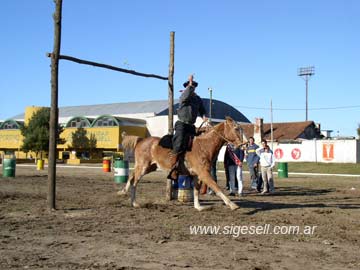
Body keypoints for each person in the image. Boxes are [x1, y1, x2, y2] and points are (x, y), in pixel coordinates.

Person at [169, 74, 207, 179]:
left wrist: (204, 116)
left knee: (195, 144)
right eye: (190, 86)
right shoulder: (183, 96)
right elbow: (185, 96)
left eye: (193, 86)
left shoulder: (198, 99)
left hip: (191, 125)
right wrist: (190, 83)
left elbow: (202, 109)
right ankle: (173, 167)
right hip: (182, 123)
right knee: (179, 142)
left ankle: (192, 164)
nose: (191, 88)